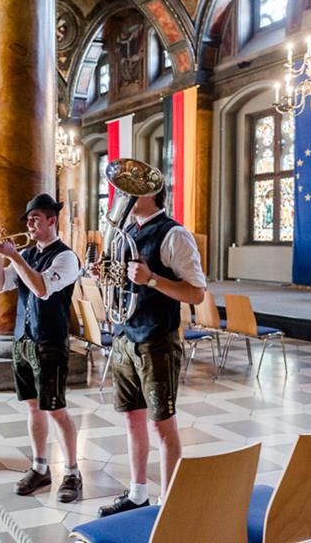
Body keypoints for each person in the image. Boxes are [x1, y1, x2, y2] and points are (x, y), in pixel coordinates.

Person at [94, 187, 206, 517]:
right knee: (132, 419)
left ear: (151, 195)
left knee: (163, 425)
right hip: (126, 336)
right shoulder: (127, 232)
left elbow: (197, 293)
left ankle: (167, 504)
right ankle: (138, 493)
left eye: (130, 193)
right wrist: (106, 273)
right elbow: (123, 283)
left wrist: (153, 278)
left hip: (157, 340)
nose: (121, 198)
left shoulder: (174, 235)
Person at [0, 193, 83, 503]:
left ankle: (71, 471)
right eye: (28, 220)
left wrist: (15, 256)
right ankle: (40, 466)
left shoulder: (66, 257)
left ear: (51, 220)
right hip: (23, 341)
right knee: (32, 407)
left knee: (55, 409)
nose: (29, 224)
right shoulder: (27, 254)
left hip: (50, 342)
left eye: (35, 219)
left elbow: (42, 289)